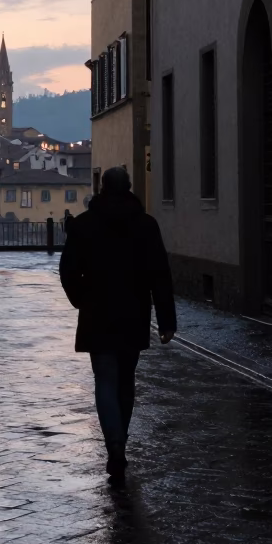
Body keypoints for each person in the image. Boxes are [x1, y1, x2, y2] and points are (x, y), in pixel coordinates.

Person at [59, 166, 176, 477]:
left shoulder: (83, 226)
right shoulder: (146, 226)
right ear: (129, 187)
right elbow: (160, 275)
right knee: (126, 380)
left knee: (105, 380)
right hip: (134, 311)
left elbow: (68, 270)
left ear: (101, 187)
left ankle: (115, 447)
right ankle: (119, 440)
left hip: (97, 312)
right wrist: (166, 321)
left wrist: (81, 298)